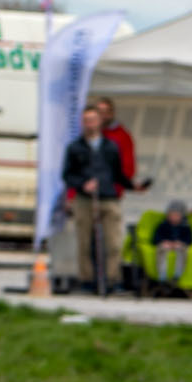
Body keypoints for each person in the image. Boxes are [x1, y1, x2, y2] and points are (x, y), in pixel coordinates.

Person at [61, 104, 127, 293]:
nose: (89, 124)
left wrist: (133, 185)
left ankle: (112, 279)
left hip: (108, 197)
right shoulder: (75, 147)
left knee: (113, 243)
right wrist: (83, 184)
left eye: (92, 120)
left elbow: (118, 174)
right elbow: (67, 175)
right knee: (84, 242)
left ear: (99, 121)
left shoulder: (111, 147)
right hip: (84, 199)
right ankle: (87, 280)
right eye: (86, 120)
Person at [94, 97, 151, 195]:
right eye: (99, 112)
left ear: (112, 113)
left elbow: (127, 167)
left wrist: (122, 184)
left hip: (110, 191)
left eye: (106, 112)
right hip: (84, 192)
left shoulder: (122, 136)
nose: (102, 116)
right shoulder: (85, 134)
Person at [153, 201, 192, 290]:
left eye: (177, 215)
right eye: (172, 215)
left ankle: (177, 276)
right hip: (165, 245)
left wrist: (181, 242)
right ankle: (162, 277)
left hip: (179, 246)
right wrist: (164, 242)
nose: (174, 217)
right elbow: (156, 238)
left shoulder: (186, 226)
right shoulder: (163, 225)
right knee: (162, 250)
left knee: (182, 251)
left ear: (182, 216)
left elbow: (189, 240)